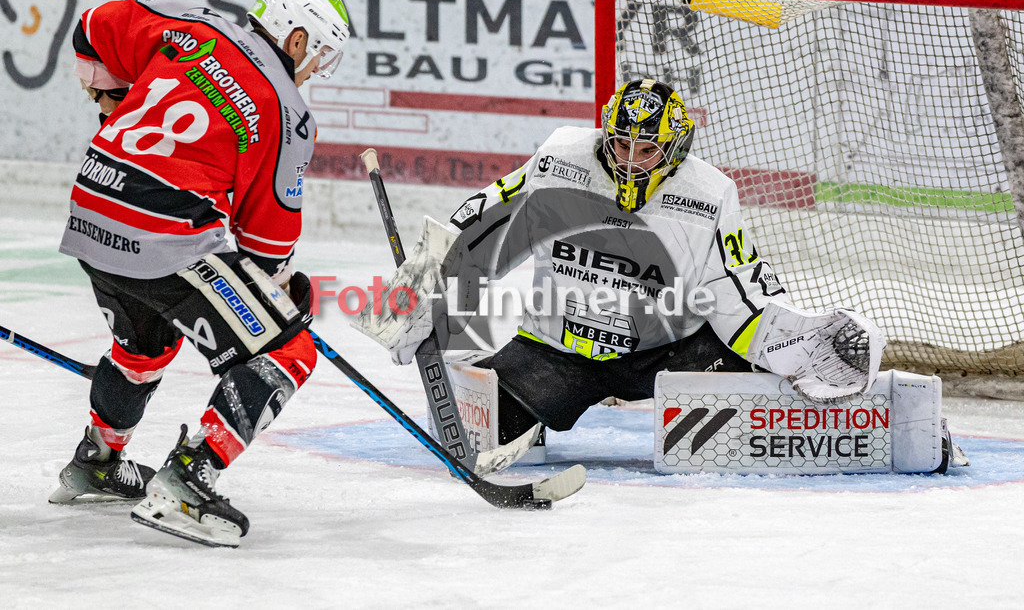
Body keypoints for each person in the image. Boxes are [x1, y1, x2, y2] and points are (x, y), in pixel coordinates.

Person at [356, 79, 896, 451]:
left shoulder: (709, 195)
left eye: (648, 151)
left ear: (675, 149)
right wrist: (414, 296)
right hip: (557, 352)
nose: (631, 161)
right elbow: (481, 228)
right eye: (621, 144)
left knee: (767, 396)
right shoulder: (559, 160)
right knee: (482, 430)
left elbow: (740, 293)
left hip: (669, 352)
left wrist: (799, 338)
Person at [49, 0, 350, 548]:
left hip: (92, 204)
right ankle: (188, 481)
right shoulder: (289, 115)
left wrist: (109, 95)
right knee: (289, 348)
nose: (315, 69)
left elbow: (91, 28)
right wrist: (283, 298)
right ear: (296, 41)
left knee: (146, 340)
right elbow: (264, 247)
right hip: (165, 228)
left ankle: (100, 458)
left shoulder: (191, 25)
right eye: (320, 54)